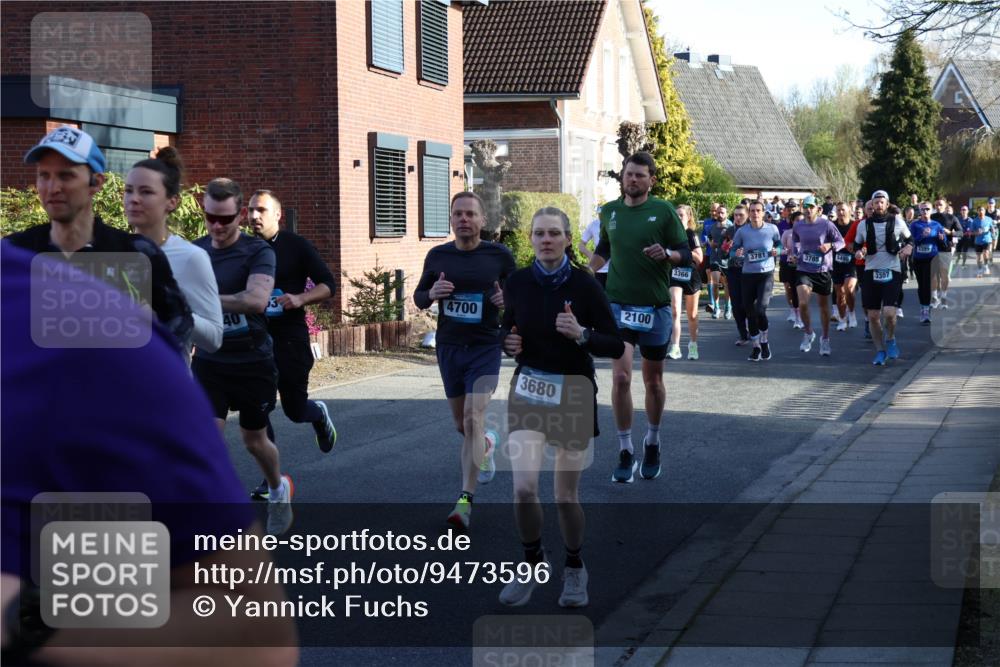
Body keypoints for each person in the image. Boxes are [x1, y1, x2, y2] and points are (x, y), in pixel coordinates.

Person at [0, 242, 298, 667]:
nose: (136, 201)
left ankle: (270, 488)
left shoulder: (90, 328)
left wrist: (24, 621)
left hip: (232, 363)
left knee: (257, 438)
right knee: (227, 440)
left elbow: (256, 632)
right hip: (197, 378)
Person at [497, 207, 623, 608]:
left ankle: (574, 567)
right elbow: (509, 328)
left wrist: (583, 334)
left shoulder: (586, 286)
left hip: (572, 390)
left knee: (564, 496)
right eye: (539, 233)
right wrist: (508, 343)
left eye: (554, 233)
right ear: (530, 239)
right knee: (523, 489)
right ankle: (533, 563)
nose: (546, 239)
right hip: (529, 387)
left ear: (569, 239)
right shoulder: (516, 282)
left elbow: (615, 343)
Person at [5, 125, 194, 355]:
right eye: (44, 175)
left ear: (96, 183)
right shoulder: (14, 253)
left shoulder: (137, 253)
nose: (52, 188)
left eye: (66, 175)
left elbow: (180, 325)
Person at [192, 178, 293, 535]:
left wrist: (204, 301)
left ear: (240, 215)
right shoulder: (195, 251)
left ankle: (278, 489)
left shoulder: (258, 252)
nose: (218, 227)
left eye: (226, 219)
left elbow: (254, 301)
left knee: (254, 440)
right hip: (210, 362)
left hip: (252, 362)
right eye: (211, 218)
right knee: (207, 437)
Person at [413, 191, 515, 530]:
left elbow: (519, 297)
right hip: (450, 347)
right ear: (451, 219)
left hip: (485, 347)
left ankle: (464, 501)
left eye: (470, 214)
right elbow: (419, 296)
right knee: (463, 425)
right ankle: (486, 444)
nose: (464, 219)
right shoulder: (438, 255)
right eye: (458, 214)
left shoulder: (499, 255)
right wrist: (432, 294)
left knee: (473, 416)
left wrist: (507, 301)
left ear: (482, 220)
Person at [589, 151, 690, 484]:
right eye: (628, 174)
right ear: (622, 176)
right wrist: (584, 273)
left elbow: (685, 254)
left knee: (653, 381)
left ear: (651, 180)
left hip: (655, 308)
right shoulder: (609, 211)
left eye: (639, 175)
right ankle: (624, 449)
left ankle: (652, 440)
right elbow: (604, 248)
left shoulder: (662, 211)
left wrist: (668, 254)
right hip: (618, 305)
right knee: (620, 379)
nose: (632, 180)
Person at [246, 190, 338, 499]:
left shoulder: (296, 247)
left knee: (294, 410)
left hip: (290, 339)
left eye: (261, 210)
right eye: (250, 210)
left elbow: (329, 284)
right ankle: (270, 480)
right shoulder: (243, 249)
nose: (254, 216)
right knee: (258, 408)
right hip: (255, 341)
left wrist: (299, 298)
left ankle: (318, 414)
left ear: (277, 215)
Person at [125, 147, 223, 362]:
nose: (134, 199)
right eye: (129, 190)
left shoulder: (191, 257)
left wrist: (170, 309)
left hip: (168, 385)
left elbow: (214, 338)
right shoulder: (113, 251)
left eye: (146, 192)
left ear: (172, 201)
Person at [852, 190, 913, 365]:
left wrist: (908, 248)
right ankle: (880, 351)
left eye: (881, 202)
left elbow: (910, 240)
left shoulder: (897, 221)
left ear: (887, 204)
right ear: (871, 205)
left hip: (892, 270)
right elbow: (856, 244)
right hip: (871, 271)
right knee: (872, 316)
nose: (878, 205)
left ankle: (891, 338)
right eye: (875, 202)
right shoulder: (863, 225)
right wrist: (858, 252)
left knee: (889, 313)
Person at [792, 195, 845, 356]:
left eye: (811, 207)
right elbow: (795, 241)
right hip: (804, 269)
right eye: (805, 207)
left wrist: (830, 245)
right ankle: (808, 332)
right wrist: (795, 254)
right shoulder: (798, 225)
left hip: (822, 270)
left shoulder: (827, 225)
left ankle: (825, 338)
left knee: (823, 307)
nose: (808, 210)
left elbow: (841, 242)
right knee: (802, 303)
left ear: (818, 209)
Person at [732, 200, 781, 361]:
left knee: (760, 309)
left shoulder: (771, 229)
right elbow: (733, 251)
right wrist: (736, 254)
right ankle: (756, 346)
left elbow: (779, 244)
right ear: (749, 213)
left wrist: (777, 251)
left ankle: (765, 342)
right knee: (749, 311)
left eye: (758, 210)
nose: (755, 214)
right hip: (747, 275)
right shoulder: (742, 232)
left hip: (766, 273)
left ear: (763, 213)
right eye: (752, 211)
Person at [666, 204, 704, 360]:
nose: (678, 217)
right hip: (674, 274)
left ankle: (693, 344)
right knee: (674, 310)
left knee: (692, 315)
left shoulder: (691, 234)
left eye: (681, 215)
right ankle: (675, 347)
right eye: (676, 215)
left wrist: (683, 252)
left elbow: (700, 258)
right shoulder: (669, 235)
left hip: (690, 275)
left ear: (688, 218)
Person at [909, 202, 945, 324]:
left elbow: (943, 243)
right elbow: (912, 242)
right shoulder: (915, 225)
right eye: (922, 209)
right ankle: (923, 307)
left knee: (928, 284)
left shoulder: (937, 225)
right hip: (919, 259)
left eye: (927, 209)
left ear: (931, 210)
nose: (925, 211)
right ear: (919, 211)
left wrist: (942, 239)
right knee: (922, 285)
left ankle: (926, 311)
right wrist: (922, 236)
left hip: (932, 258)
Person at [721, 204, 751, 344]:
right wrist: (726, 248)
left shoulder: (752, 229)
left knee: (748, 303)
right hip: (733, 270)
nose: (738, 218)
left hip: (750, 270)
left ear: (747, 216)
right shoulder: (730, 231)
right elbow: (723, 251)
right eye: (736, 215)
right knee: (736, 303)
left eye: (741, 215)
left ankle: (753, 327)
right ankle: (743, 334)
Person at [831, 201, 860, 330]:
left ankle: (852, 313)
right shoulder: (832, 226)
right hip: (836, 263)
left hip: (852, 263)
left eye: (843, 210)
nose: (840, 213)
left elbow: (862, 240)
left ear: (849, 211)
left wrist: (856, 248)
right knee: (840, 293)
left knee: (849, 288)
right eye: (838, 210)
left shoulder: (856, 225)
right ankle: (842, 320)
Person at [929, 197, 961, 308]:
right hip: (931, 249)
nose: (938, 206)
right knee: (933, 275)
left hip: (945, 249)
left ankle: (943, 298)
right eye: (936, 204)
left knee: (944, 275)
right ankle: (934, 298)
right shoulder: (931, 217)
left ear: (945, 205)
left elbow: (960, 232)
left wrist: (950, 233)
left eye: (940, 204)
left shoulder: (952, 218)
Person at [779, 212, 804, 329]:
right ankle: (797, 317)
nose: (800, 223)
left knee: (803, 291)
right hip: (791, 265)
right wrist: (787, 251)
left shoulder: (808, 233)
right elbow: (780, 248)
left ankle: (803, 315)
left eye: (802, 220)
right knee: (793, 290)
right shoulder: (787, 233)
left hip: (805, 266)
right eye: (797, 220)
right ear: (792, 221)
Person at [707, 205, 732, 320]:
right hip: (714, 258)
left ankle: (728, 307)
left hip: (726, 259)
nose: (720, 215)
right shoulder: (712, 227)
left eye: (722, 213)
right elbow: (709, 237)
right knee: (715, 283)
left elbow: (733, 242)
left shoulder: (730, 226)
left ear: (726, 213)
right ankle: (717, 307)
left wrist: (724, 246)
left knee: (727, 284)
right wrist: (711, 243)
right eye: (718, 212)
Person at [579, 205, 609, 289]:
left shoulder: (614, 224)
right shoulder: (593, 225)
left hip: (614, 270)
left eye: (602, 214)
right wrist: (590, 255)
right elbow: (581, 245)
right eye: (599, 214)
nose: (600, 216)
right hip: (598, 270)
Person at [701, 202, 721, 314]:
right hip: (709, 253)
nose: (713, 213)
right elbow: (703, 234)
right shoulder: (707, 222)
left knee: (721, 280)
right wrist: (705, 241)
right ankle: (712, 303)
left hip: (721, 255)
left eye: (715, 210)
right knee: (709, 275)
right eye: (712, 210)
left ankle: (727, 305)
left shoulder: (725, 223)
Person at [971, 206, 994, 277]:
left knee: (986, 253)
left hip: (987, 240)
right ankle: (980, 269)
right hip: (978, 241)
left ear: (984, 211)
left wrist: (993, 230)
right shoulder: (974, 221)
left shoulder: (989, 219)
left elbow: (992, 227)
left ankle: (986, 266)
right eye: (979, 210)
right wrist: (977, 232)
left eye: (982, 210)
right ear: (977, 212)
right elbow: (971, 232)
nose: (981, 211)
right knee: (979, 257)